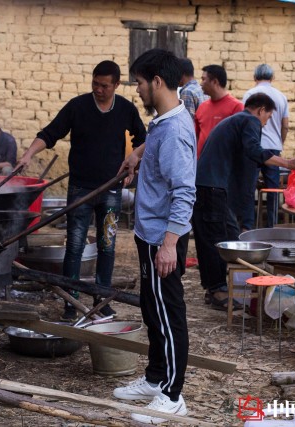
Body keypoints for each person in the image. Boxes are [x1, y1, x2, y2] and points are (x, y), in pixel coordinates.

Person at [17, 60, 147, 321]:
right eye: (95, 84)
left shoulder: (125, 108)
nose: (98, 89)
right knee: (75, 246)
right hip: (80, 189)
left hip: (111, 188)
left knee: (107, 246)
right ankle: (71, 300)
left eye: (104, 86)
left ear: (116, 85)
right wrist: (29, 153)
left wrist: (133, 162)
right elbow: (50, 132)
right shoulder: (78, 106)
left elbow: (142, 138)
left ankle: (102, 299)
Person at [113, 49, 196, 424]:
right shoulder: (164, 120)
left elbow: (184, 192)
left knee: (169, 314)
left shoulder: (176, 130)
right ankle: (155, 378)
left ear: (158, 82)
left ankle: (173, 395)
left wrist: (169, 245)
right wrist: (138, 156)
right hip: (150, 235)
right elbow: (158, 146)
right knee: (152, 310)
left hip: (164, 238)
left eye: (140, 83)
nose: (137, 90)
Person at [192, 93, 295, 311]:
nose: (265, 122)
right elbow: (254, 150)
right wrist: (287, 162)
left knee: (229, 234)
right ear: (261, 110)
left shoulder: (235, 120)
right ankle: (217, 290)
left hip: (210, 185)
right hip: (211, 187)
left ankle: (216, 287)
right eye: (268, 117)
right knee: (217, 238)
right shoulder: (249, 120)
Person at [242, 64, 290, 228]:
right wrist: (280, 142)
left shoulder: (249, 94)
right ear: (272, 78)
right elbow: (285, 125)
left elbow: (244, 120)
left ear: (255, 77)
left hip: (253, 147)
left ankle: (247, 226)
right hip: (273, 148)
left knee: (249, 188)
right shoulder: (281, 97)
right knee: (273, 190)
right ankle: (272, 225)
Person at [194, 64, 243, 158]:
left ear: (215, 82)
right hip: (202, 166)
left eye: (204, 79)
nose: (201, 83)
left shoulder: (236, 107)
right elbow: (196, 136)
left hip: (224, 167)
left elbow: (240, 140)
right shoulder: (202, 107)